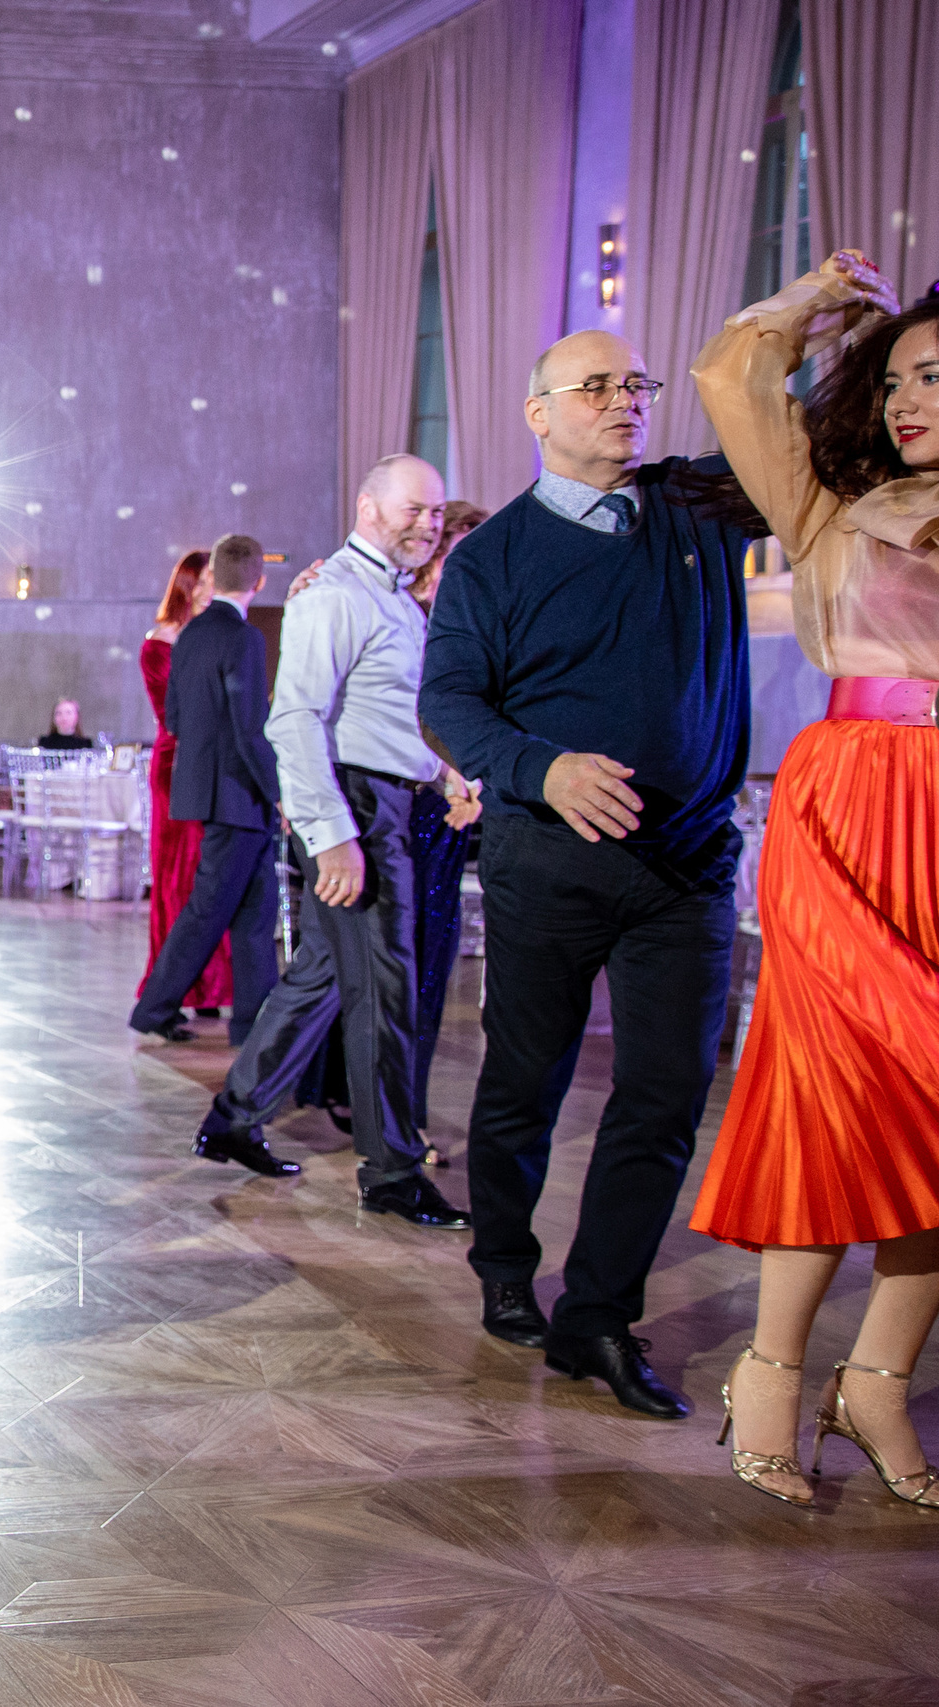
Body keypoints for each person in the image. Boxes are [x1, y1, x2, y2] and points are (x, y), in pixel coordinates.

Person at [422, 329, 753, 1419]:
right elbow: (451, 704)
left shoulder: (699, 506)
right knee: (526, 1079)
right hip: (547, 865)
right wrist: (542, 767)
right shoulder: (491, 557)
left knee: (662, 1098)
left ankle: (597, 1315)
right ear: (538, 414)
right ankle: (506, 1267)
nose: (624, 400)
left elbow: (799, 444)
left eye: (635, 384)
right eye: (596, 385)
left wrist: (802, 317)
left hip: (688, 866)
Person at [685, 250, 939, 1508]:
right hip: (843, 817)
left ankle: (878, 1378)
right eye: (895, 379)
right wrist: (812, 304)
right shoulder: (834, 500)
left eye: (934, 378)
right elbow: (731, 374)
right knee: (838, 1095)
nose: (905, 402)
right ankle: (771, 1367)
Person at [187, 458, 466, 1227]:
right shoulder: (335, 594)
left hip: (387, 801)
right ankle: (392, 1170)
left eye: (437, 514)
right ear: (368, 506)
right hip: (357, 808)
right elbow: (295, 719)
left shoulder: (393, 600)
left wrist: (444, 774)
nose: (428, 525)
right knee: (386, 988)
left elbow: (388, 716)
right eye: (414, 509)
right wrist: (335, 835)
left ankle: (235, 1116)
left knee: (323, 979)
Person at [291, 502, 491, 1147]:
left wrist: (474, 778)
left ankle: (398, 1117)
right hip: (387, 804)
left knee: (422, 971)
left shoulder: (479, 623)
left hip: (444, 810)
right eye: (448, 553)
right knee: (360, 967)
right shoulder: (385, 607)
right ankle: (354, 1105)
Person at [128, 534, 280, 1046]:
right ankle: (153, 1007)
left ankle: (251, 1021)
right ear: (259, 580)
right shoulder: (245, 638)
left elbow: (173, 717)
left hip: (215, 793)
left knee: (255, 913)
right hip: (240, 795)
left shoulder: (188, 636)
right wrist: (279, 792)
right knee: (210, 909)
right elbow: (249, 726)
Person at [138, 551, 231, 1017]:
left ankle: (208, 987)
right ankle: (171, 989)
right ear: (187, 587)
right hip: (176, 769)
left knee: (208, 880)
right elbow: (174, 715)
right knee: (177, 880)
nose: (212, 590)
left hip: (211, 766)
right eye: (206, 582)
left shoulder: (213, 636)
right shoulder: (162, 641)